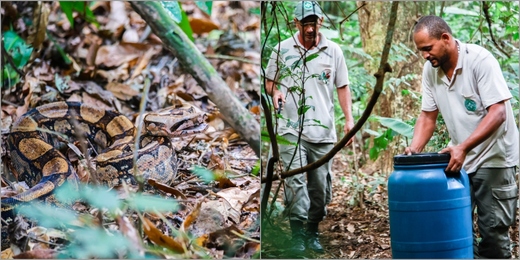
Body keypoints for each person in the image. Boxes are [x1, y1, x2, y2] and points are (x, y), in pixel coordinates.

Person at [406, 15, 519, 258]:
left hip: (494, 157)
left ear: (445, 38)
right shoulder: (431, 70)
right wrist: (413, 151)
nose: (425, 55)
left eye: (428, 48)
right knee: (456, 228)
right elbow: (427, 116)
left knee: (493, 232)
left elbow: (498, 113)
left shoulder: (480, 60)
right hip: (460, 159)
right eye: (421, 51)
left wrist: (464, 146)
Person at [264, 1, 355, 254]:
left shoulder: (333, 51)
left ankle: (312, 230)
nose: (310, 28)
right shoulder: (282, 49)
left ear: (321, 23)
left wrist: (349, 120)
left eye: (314, 23)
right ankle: (297, 236)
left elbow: (343, 86)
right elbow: (269, 82)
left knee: (320, 187)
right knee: (294, 182)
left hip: (323, 131)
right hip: (290, 129)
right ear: (296, 24)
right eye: (305, 23)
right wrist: (276, 91)